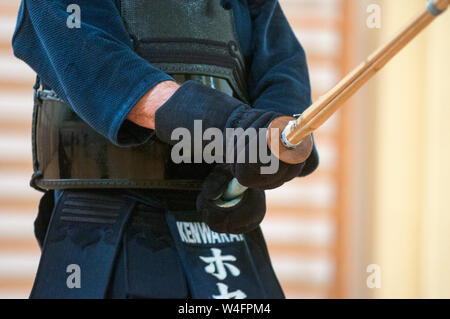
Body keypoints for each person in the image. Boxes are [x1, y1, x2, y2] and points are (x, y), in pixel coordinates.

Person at [12, 0, 319, 299]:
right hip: (101, 220)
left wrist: (265, 151)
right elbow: (93, 61)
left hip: (216, 211)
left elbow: (282, 67)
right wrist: (229, 126)